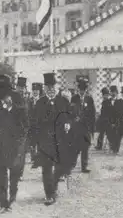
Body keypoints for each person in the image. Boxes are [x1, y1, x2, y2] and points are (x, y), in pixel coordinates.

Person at [0, 74, 28, 214]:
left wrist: (11, 107)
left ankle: (12, 195)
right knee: (1, 172)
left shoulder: (16, 97)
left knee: (15, 171)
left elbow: (24, 117)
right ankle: (4, 203)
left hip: (15, 141)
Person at [35, 72, 71, 206]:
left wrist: (68, 123)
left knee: (59, 168)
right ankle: (49, 194)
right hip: (45, 141)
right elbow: (36, 122)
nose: (50, 89)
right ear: (44, 88)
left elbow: (69, 116)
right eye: (47, 87)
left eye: (52, 86)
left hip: (60, 140)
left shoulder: (63, 101)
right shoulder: (40, 103)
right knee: (46, 169)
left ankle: (54, 189)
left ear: (56, 87)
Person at [70, 78, 95, 173]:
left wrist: (92, 129)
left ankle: (84, 167)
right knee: (75, 148)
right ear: (78, 90)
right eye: (80, 90)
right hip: (76, 128)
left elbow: (92, 114)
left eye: (83, 90)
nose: (82, 92)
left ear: (86, 90)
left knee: (85, 148)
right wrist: (73, 119)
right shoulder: (74, 98)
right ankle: (72, 165)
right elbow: (70, 111)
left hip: (86, 128)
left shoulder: (89, 99)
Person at [28, 82, 43, 169]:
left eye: (37, 90)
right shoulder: (29, 100)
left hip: (40, 125)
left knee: (40, 143)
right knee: (32, 144)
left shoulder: (42, 100)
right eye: (34, 90)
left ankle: (38, 161)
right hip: (31, 125)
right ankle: (33, 159)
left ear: (39, 91)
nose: (35, 92)